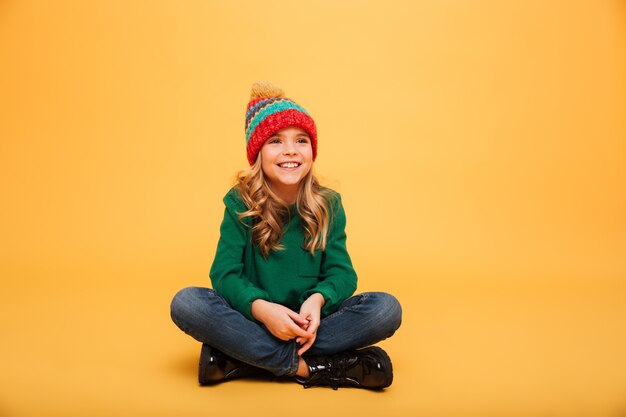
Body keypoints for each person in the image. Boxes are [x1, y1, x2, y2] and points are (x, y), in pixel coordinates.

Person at [170, 80, 402, 390]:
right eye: (276, 141)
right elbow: (224, 274)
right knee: (186, 302)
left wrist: (317, 302)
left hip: (311, 326)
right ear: (258, 153)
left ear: (312, 150)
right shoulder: (240, 203)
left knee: (386, 309)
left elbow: (342, 274)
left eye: (301, 140)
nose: (290, 150)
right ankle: (312, 368)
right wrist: (263, 311)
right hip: (253, 320)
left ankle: (241, 358)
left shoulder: (329, 203)